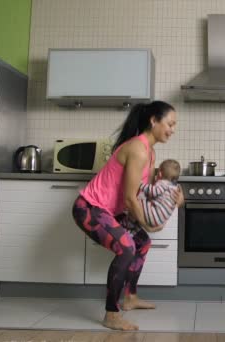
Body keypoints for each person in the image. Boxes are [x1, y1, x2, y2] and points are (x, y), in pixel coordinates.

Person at [71, 101, 183, 331]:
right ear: (153, 120)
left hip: (108, 211)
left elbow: (149, 192)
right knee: (127, 247)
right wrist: (148, 224)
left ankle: (130, 297)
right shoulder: (138, 150)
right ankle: (111, 314)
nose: (173, 129)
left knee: (142, 243)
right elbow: (131, 198)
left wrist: (176, 200)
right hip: (88, 208)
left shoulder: (150, 153)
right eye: (170, 123)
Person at [117, 159, 181, 234]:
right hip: (160, 219)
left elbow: (154, 192)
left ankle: (126, 224)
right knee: (142, 208)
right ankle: (133, 232)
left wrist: (140, 184)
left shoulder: (163, 183)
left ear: (159, 174)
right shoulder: (173, 187)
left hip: (155, 215)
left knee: (136, 203)